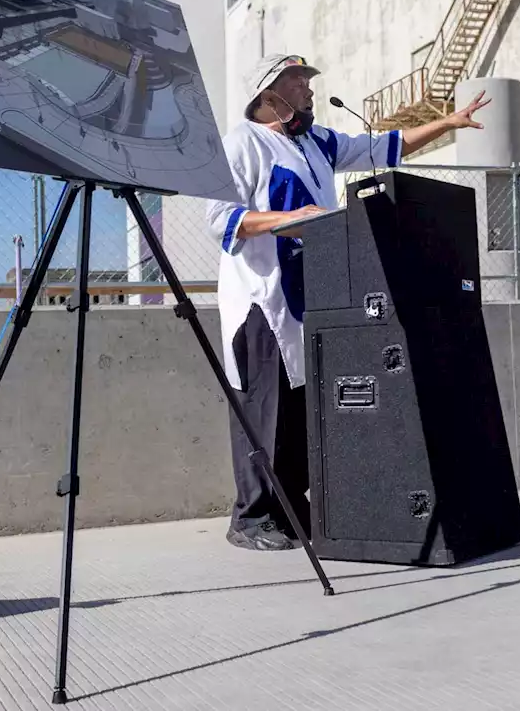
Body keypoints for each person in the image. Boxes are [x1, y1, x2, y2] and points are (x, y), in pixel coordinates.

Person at [205, 53, 491, 551]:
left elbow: (383, 146)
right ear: (269, 93)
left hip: (315, 295)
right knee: (264, 409)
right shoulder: (242, 143)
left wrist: (447, 121)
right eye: (299, 82)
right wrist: (293, 218)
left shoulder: (317, 142)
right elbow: (222, 219)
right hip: (262, 300)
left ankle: (292, 508)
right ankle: (250, 517)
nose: (310, 91)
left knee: (302, 410)